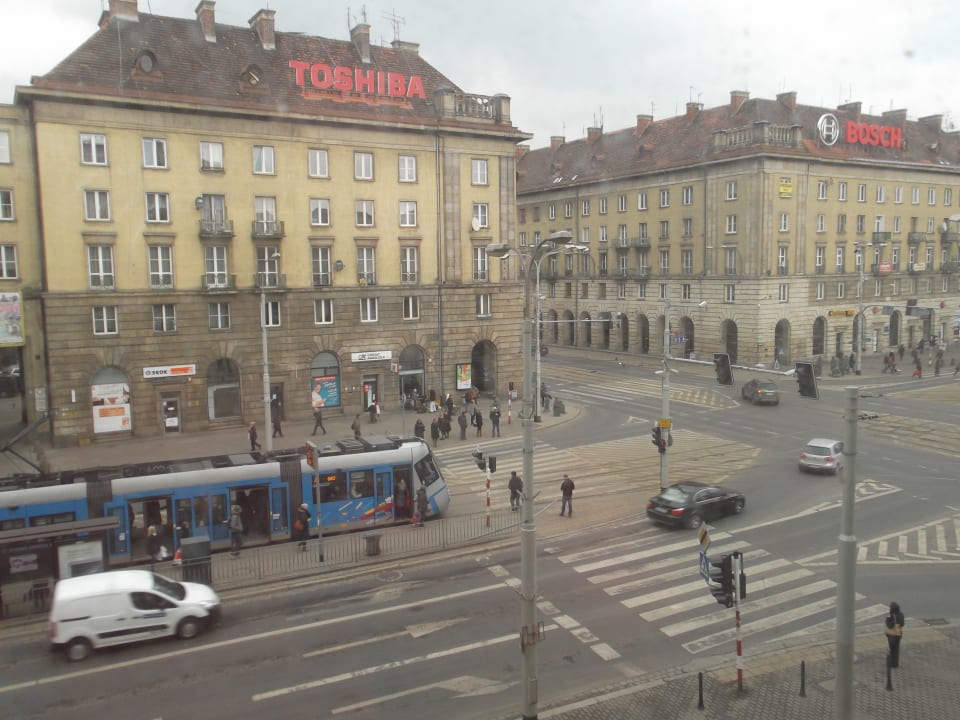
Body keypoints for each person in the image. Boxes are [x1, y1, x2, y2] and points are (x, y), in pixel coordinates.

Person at [884, 601, 905, 668]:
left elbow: (889, 625)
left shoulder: (891, 616)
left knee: (892, 649)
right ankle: (895, 663)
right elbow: (902, 624)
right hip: (898, 634)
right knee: (896, 649)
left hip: (892, 635)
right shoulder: (901, 614)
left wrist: (888, 619)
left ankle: (892, 663)